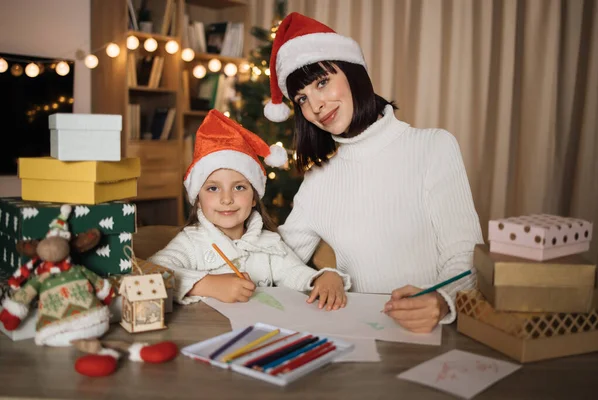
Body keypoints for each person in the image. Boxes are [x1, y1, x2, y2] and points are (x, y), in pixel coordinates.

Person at [264, 12, 484, 333]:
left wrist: (441, 300)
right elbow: (275, 260)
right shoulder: (318, 179)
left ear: (353, 73)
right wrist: (323, 275)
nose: (316, 106)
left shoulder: (434, 146)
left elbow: (464, 253)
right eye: (302, 99)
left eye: (322, 82)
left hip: (433, 332)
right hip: (359, 336)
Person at [148, 109, 351, 310]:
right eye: (213, 188)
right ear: (198, 200)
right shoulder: (190, 243)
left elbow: (294, 273)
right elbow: (151, 273)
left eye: (239, 187)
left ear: (254, 197)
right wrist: (205, 284)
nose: (226, 199)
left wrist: (324, 277)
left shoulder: (269, 244)